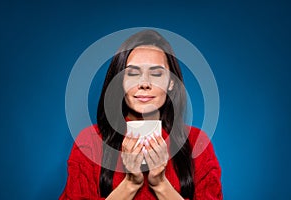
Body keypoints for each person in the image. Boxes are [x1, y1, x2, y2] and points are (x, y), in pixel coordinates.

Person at [60, 29, 222, 200]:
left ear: (171, 83)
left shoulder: (197, 142)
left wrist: (160, 184)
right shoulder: (91, 141)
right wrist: (130, 183)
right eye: (133, 73)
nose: (144, 83)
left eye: (156, 73)